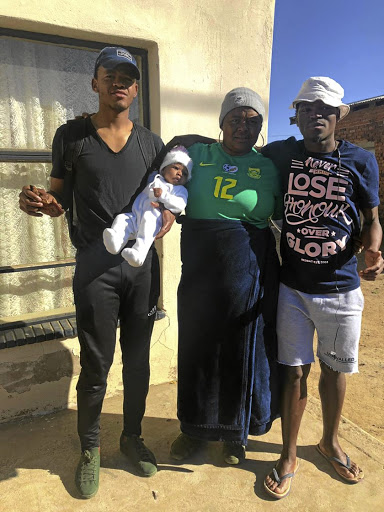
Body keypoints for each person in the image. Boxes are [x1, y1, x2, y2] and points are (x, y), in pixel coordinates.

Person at [18, 46, 173, 499]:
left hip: (141, 268)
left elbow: (163, 200)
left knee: (139, 361)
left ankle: (132, 437)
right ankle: (90, 450)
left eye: (128, 76)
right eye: (111, 75)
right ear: (95, 83)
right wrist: (44, 205)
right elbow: (57, 198)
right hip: (95, 268)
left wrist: (167, 218)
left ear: (136, 88)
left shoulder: (152, 143)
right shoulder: (72, 136)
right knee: (97, 364)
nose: (120, 83)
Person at [261, 77, 383, 499]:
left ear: (339, 115)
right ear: (296, 115)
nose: (317, 115)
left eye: (326, 108)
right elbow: (234, 154)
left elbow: (372, 218)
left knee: (334, 372)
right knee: (294, 372)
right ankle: (289, 453)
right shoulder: (279, 154)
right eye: (307, 108)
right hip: (292, 289)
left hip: (341, 289)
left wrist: (374, 248)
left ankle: (329, 442)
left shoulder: (362, 160)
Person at [168, 87, 283, 465]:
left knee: (241, 350)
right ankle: (194, 431)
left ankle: (236, 435)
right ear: (221, 123)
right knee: (197, 348)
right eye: (236, 119)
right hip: (200, 267)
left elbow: (283, 217)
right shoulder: (197, 154)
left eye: (254, 122)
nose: (244, 128)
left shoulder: (267, 166)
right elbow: (164, 166)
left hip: (247, 270)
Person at [103, 145, 192, 267]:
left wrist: (163, 196)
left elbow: (179, 205)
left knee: (148, 224)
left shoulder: (179, 190)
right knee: (122, 219)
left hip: (154, 219)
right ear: (164, 168)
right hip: (136, 214)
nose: (179, 173)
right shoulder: (155, 177)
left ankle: (139, 254)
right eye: (175, 167)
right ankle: (116, 242)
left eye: (185, 173)